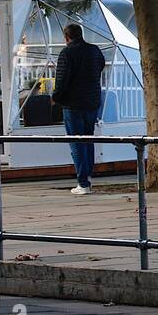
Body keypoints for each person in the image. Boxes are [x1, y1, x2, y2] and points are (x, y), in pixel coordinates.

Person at [51, 23, 106, 195]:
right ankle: (88, 177)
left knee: (76, 142)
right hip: (91, 101)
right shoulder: (94, 50)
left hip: (73, 104)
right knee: (88, 139)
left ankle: (82, 183)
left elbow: (61, 80)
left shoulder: (66, 53)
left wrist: (56, 98)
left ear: (66, 37)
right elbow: (101, 66)